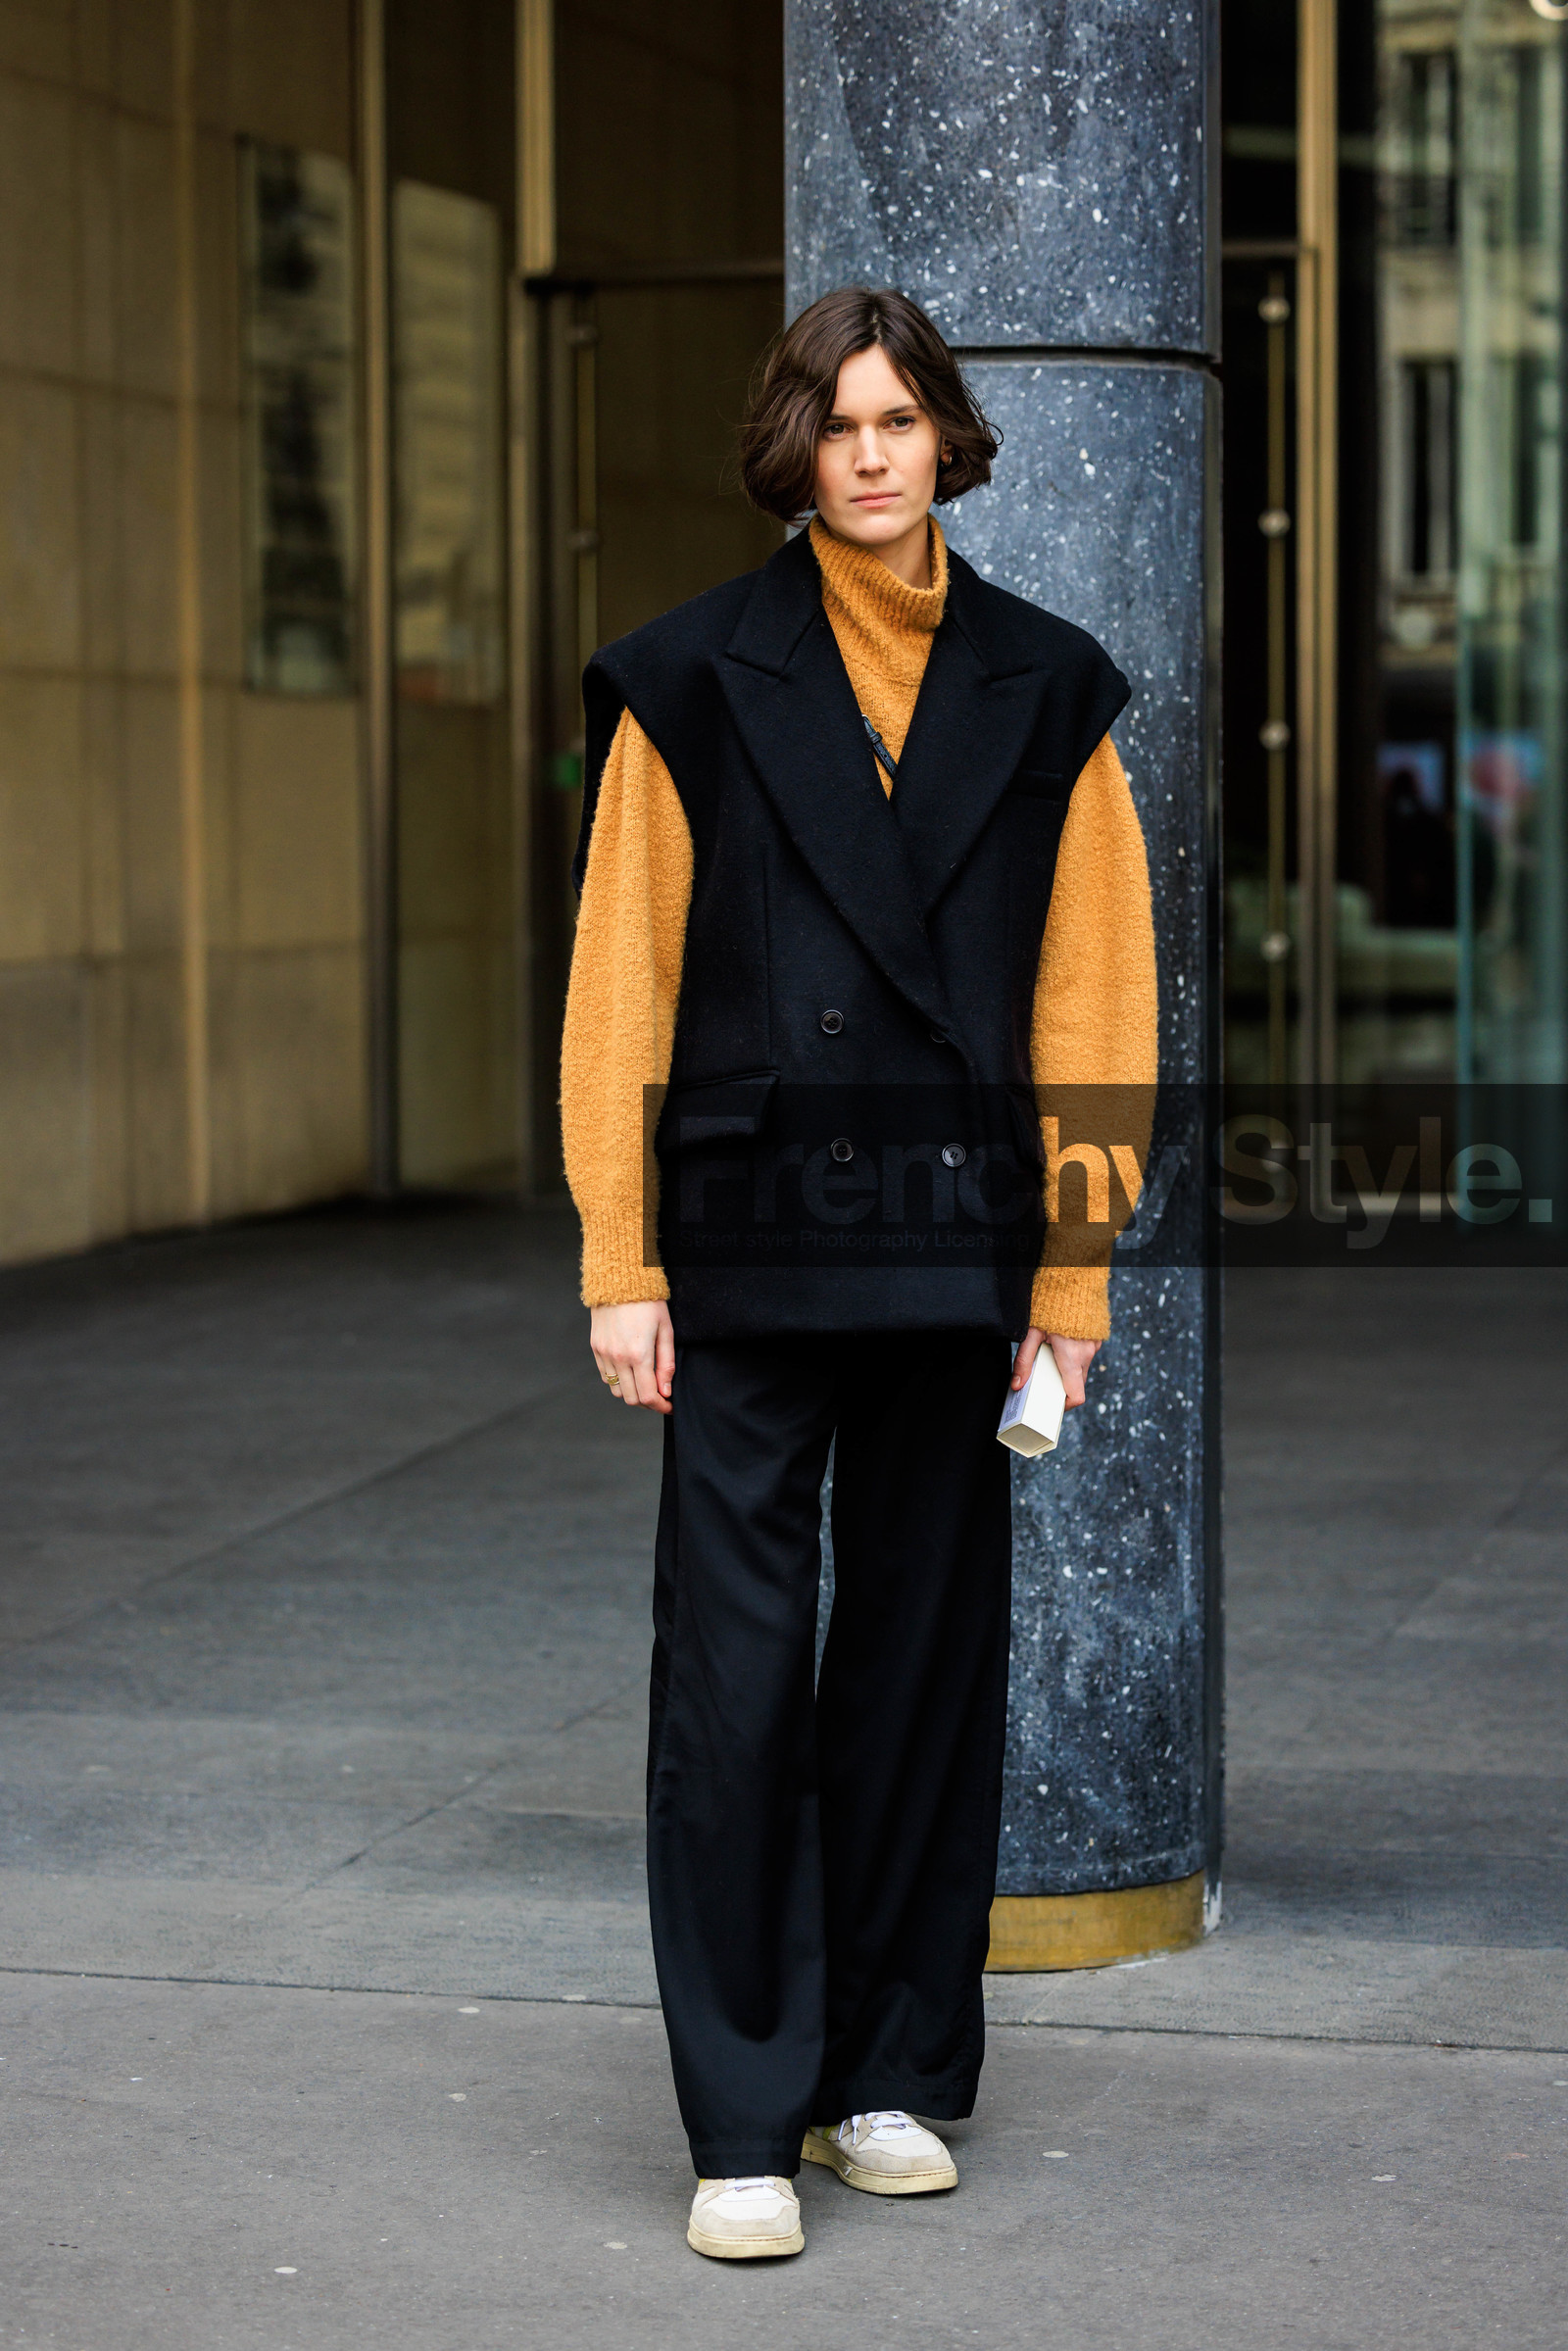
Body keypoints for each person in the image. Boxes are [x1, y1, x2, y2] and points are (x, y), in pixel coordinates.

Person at [561, 285, 1156, 2260]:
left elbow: (1093, 1003)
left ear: (946, 439)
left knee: (918, 1670)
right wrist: (620, 1257)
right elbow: (620, 986)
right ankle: (744, 2116)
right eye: (840, 422)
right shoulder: (688, 678)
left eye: (901, 419)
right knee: (733, 1688)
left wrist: (1069, 1285)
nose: (873, 453)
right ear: (793, 450)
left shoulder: (1046, 685)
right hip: (742, 1244)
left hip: (951, 1241)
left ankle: (881, 2070)